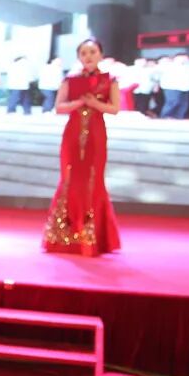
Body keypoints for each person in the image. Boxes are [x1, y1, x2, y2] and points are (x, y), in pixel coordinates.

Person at [42, 39, 121, 257]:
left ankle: (94, 238)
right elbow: (59, 107)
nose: (88, 56)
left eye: (93, 52)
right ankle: (64, 235)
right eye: (84, 53)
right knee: (70, 179)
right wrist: (79, 103)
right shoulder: (70, 80)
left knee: (94, 180)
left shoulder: (110, 80)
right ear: (79, 57)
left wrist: (95, 104)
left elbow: (115, 108)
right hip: (73, 134)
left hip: (96, 134)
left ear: (100, 55)